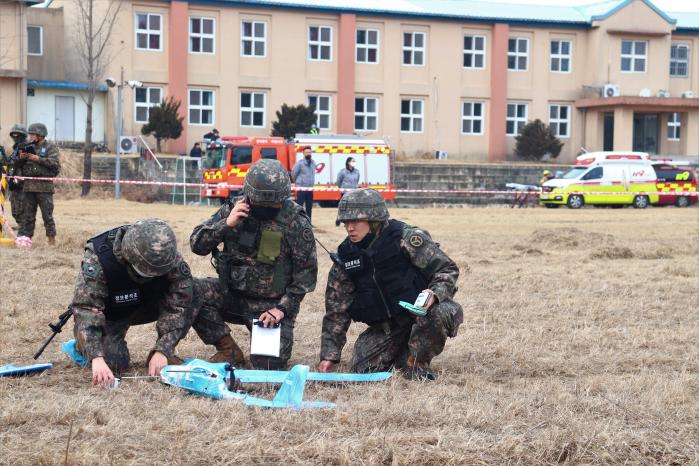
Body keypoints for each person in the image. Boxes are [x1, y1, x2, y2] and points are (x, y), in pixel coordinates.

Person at [318, 189, 464, 381]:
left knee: (439, 313)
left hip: (422, 315)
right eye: (345, 222)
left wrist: (434, 293)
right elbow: (336, 311)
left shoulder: (406, 238)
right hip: (387, 327)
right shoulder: (346, 258)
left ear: (374, 220)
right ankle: (405, 351)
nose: (349, 228)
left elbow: (447, 269)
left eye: (355, 221)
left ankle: (417, 365)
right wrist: (329, 356)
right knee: (363, 372)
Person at [190, 159, 318, 370]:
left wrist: (282, 309)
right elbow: (197, 245)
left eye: (273, 203)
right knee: (192, 290)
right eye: (261, 202)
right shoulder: (234, 209)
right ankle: (227, 349)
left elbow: (306, 276)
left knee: (268, 366)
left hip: (270, 308)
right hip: (232, 296)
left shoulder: (295, 222)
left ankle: (265, 343)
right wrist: (226, 224)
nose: (267, 207)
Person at [70, 218, 195, 386]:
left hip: (148, 303)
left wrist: (163, 350)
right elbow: (86, 308)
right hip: (113, 312)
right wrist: (96, 357)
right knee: (114, 363)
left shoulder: (164, 254)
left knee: (197, 290)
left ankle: (224, 348)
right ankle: (81, 345)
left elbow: (181, 300)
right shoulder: (99, 257)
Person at [17, 123, 60, 244]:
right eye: (30, 134)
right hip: (29, 187)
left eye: (33, 134)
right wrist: (20, 158)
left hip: (44, 187)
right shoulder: (27, 147)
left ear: (40, 135)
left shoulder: (50, 147)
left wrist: (38, 159)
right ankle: (26, 240)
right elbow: (17, 166)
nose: (30, 137)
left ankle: (51, 240)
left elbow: (55, 164)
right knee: (27, 216)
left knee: (47, 216)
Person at [1, 124, 29, 225]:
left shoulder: (26, 147)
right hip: (14, 183)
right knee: (15, 210)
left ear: (23, 135)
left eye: (18, 135)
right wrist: (4, 155)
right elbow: (10, 163)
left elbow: (21, 161)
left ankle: (24, 229)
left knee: (21, 209)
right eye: (14, 135)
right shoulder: (16, 148)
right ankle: (22, 227)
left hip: (22, 183)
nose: (15, 137)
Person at [291, 146, 316, 220]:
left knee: (309, 207)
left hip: (309, 189)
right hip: (301, 189)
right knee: (299, 207)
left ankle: (309, 222)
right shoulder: (299, 163)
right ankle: (298, 221)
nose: (308, 153)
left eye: (310, 152)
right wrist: (298, 183)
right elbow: (293, 174)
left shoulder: (313, 163)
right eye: (307, 152)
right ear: (303, 154)